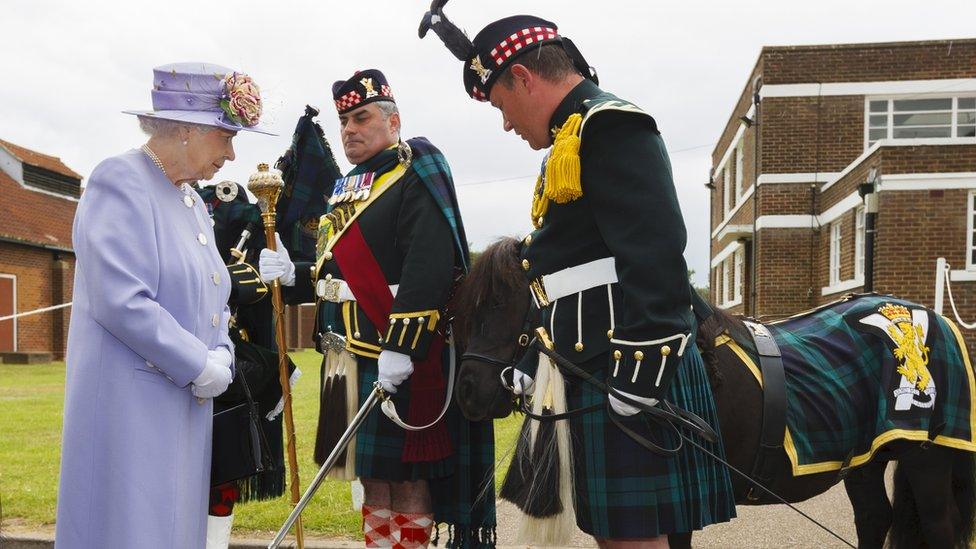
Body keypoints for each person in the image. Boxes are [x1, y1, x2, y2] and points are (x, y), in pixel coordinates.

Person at [422, 13, 736, 548]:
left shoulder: (608, 125)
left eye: (499, 105)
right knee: (616, 535)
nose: (504, 123)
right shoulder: (571, 140)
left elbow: (655, 255)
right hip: (592, 367)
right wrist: (529, 361)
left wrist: (639, 381)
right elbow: (567, 274)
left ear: (523, 77)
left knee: (632, 541)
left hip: (627, 366)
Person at [259, 69, 496, 548]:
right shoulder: (348, 188)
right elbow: (337, 277)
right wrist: (295, 275)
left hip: (401, 353)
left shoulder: (416, 167)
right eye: (344, 120)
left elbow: (430, 262)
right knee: (372, 476)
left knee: (408, 479)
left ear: (393, 121)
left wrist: (402, 346)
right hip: (346, 355)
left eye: (361, 117)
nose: (349, 129)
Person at [55, 62, 271, 549]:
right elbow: (122, 299)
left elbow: (215, 292)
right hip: (128, 408)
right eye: (227, 137)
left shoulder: (191, 201)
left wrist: (221, 353)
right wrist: (199, 364)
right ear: (187, 130)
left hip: (183, 406)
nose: (232, 154)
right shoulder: (120, 180)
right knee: (129, 531)